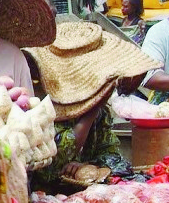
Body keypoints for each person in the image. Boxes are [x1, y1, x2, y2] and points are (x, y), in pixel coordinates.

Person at [24, 19, 160, 185]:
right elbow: (51, 163)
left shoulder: (101, 111)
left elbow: (110, 152)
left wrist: (90, 166)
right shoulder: (39, 104)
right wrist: (91, 110)